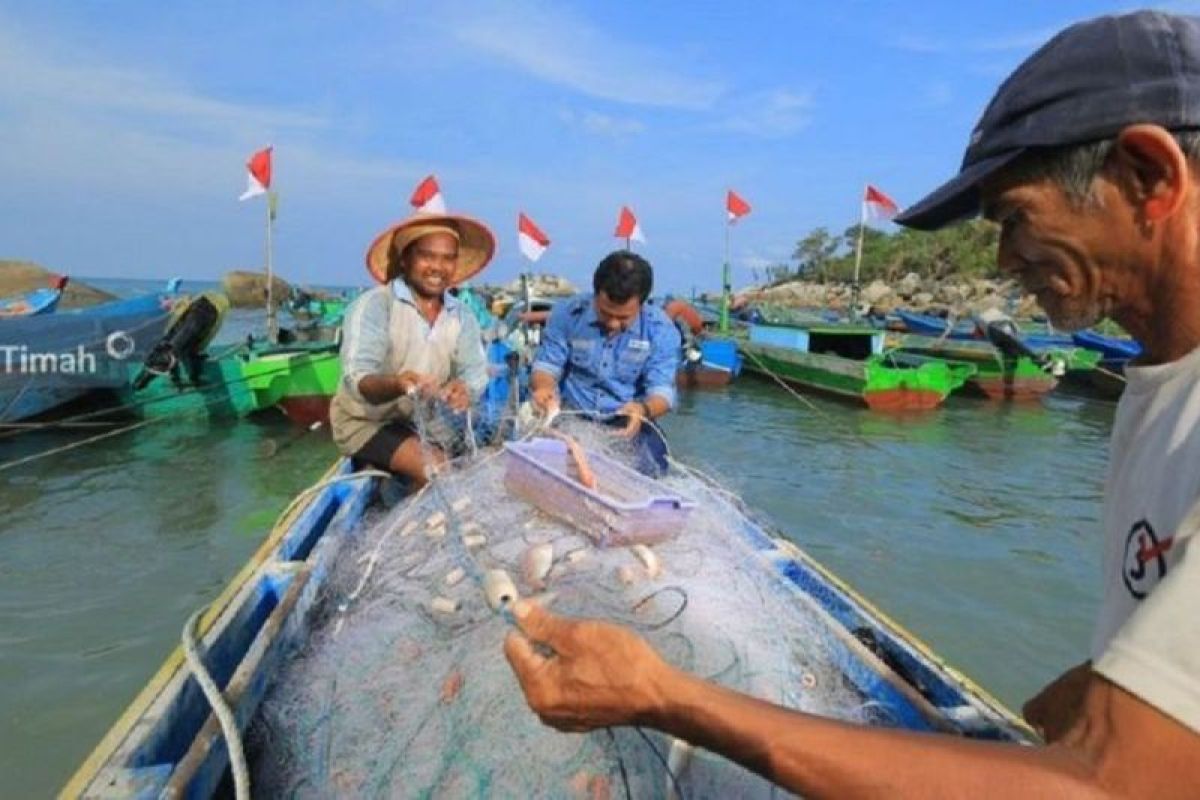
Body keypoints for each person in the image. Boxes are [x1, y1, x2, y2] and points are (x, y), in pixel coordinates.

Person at [505, 11, 1200, 796]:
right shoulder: (1159, 390)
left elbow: (1114, 788)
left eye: (1014, 218)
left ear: (1150, 176)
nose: (1005, 262)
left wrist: (667, 695)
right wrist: (1115, 676)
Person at [330, 212, 494, 487]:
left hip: (426, 425)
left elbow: (475, 373)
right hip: (366, 422)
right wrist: (397, 383)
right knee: (437, 470)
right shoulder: (375, 305)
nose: (437, 267)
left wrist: (464, 389)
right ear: (405, 259)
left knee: (481, 469)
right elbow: (358, 379)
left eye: (447, 258)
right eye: (427, 256)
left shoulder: (462, 315)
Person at [529, 250, 681, 475]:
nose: (612, 324)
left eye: (623, 318)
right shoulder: (567, 314)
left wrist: (643, 409)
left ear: (642, 304)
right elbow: (546, 367)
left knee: (651, 468)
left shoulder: (660, 330)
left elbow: (663, 393)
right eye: (605, 312)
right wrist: (543, 388)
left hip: (627, 423)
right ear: (595, 294)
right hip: (570, 415)